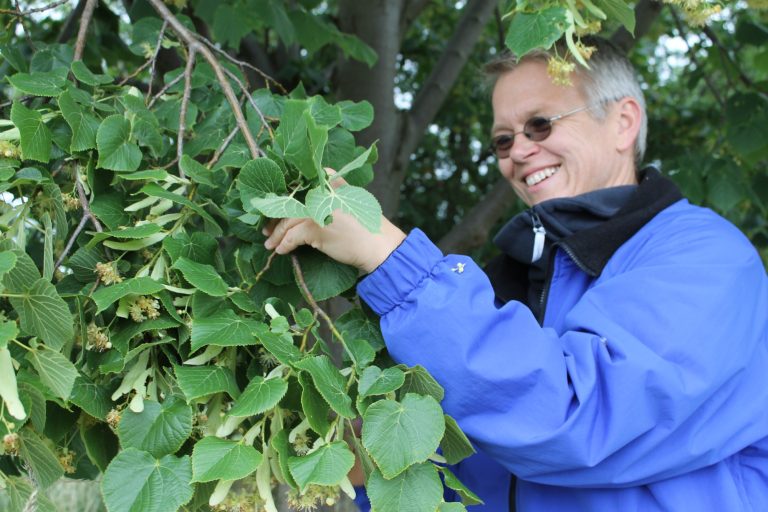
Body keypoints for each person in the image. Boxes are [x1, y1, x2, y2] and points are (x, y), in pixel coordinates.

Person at [264, 37, 768, 511]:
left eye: (541, 124)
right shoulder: (516, 277)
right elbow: (470, 476)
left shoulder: (704, 256)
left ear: (623, 122)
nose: (520, 151)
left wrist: (392, 261)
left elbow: (573, 418)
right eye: (503, 141)